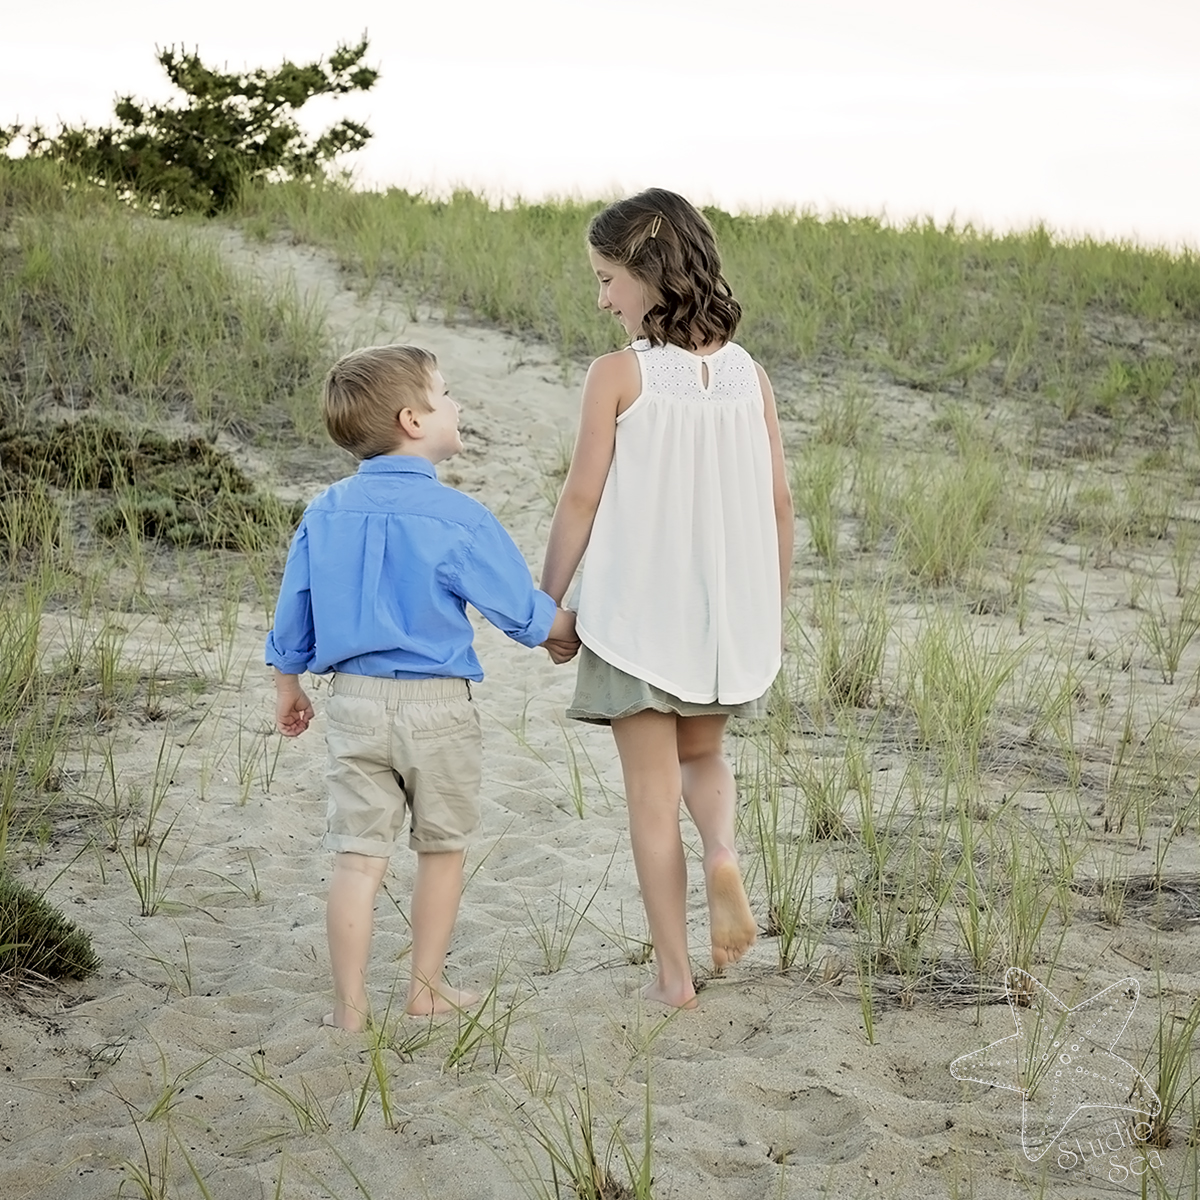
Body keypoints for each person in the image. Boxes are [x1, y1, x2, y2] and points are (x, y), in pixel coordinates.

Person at [267, 344, 578, 1031]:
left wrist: (288, 682)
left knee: (357, 855)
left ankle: (349, 1010)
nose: (457, 404)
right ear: (414, 419)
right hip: (437, 706)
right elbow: (518, 608)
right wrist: (566, 630)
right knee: (441, 848)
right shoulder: (457, 516)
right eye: (445, 394)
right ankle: (425, 988)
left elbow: (296, 606)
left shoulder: (326, 511)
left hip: (351, 702)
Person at [540, 189, 794, 1009]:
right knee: (704, 758)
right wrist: (766, 605)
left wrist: (549, 602)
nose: (602, 297)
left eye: (608, 277)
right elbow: (778, 502)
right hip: (723, 625)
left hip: (634, 621)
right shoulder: (749, 376)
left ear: (648, 272)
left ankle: (675, 978)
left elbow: (580, 499)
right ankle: (722, 849)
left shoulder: (617, 376)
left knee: (651, 800)